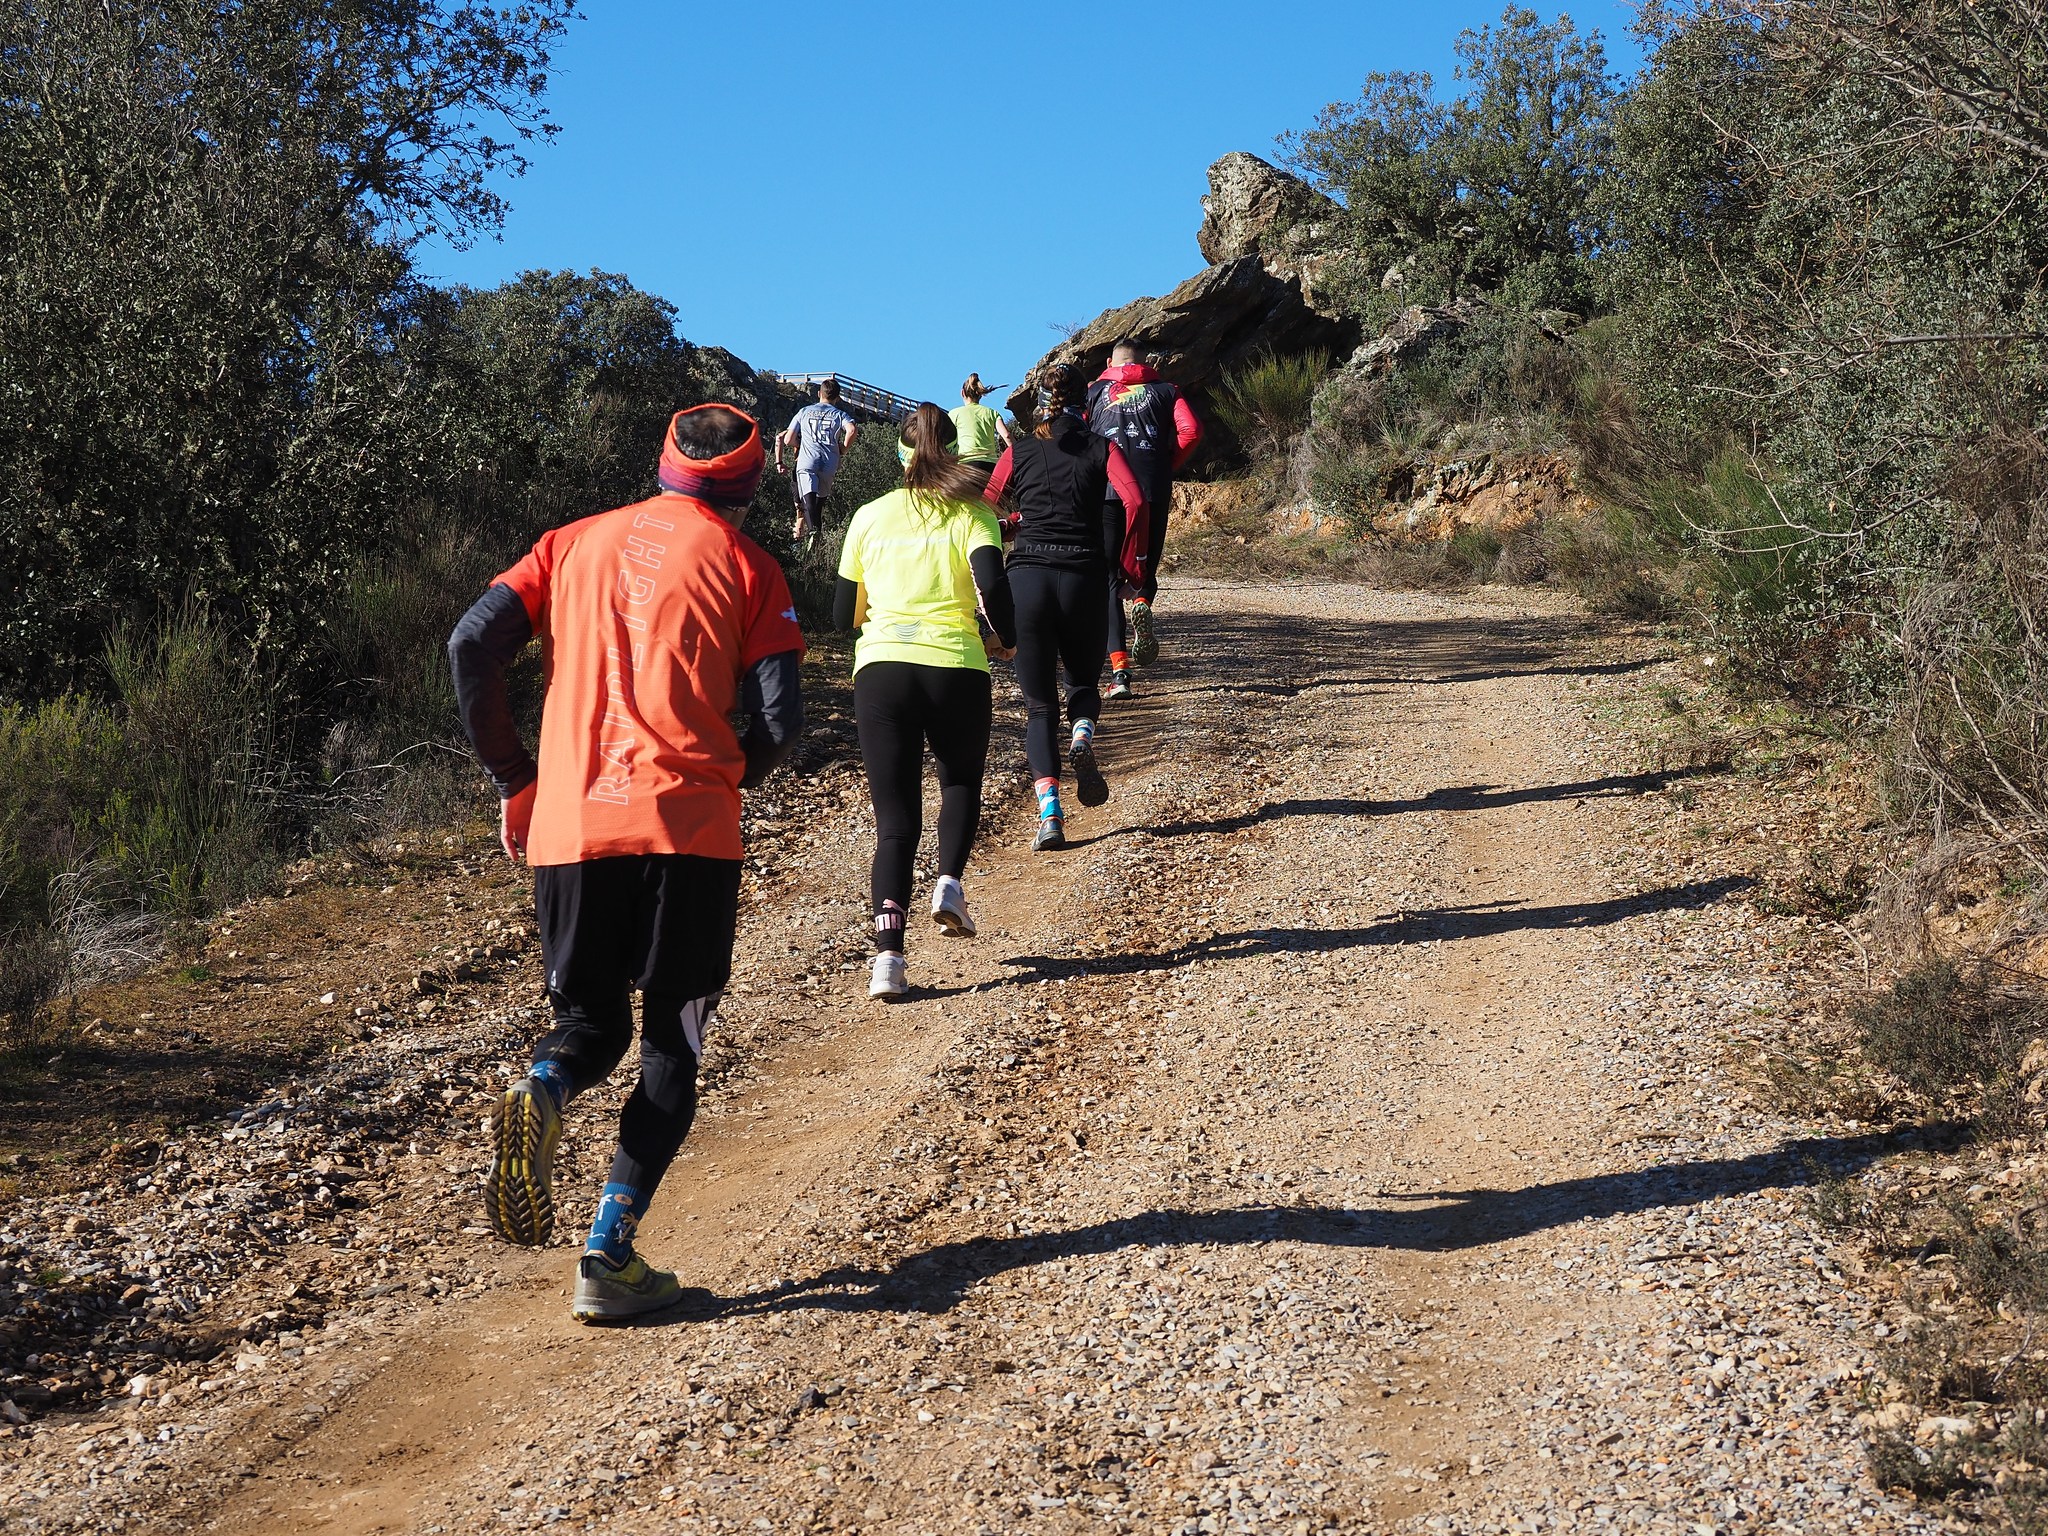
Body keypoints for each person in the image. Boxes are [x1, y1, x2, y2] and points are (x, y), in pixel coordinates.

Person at [448, 403, 805, 1323]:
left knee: (590, 1023)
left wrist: (517, 779)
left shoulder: (567, 544)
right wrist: (730, 779)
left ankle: (545, 1085)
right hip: (686, 830)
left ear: (666, 464)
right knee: (670, 1041)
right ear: (752, 482)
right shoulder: (751, 567)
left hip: (569, 826)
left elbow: (471, 643)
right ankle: (609, 1248)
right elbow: (778, 721)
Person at [836, 403, 1016, 1000]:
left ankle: (888, 959)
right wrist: (1008, 642)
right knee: (960, 781)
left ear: (901, 453)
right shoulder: (974, 514)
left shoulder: (867, 516)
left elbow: (843, 616)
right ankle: (949, 884)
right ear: (953, 451)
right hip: (955, 667)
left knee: (895, 823)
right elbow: (993, 588)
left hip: (881, 669)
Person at [982, 364, 1148, 851]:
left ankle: (1050, 816)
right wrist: (1128, 563)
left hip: (1027, 581)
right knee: (1081, 683)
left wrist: (1013, 523)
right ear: (1087, 403)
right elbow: (1134, 499)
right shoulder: (1102, 447)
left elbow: (987, 504)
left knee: (1037, 708)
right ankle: (1081, 737)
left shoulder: (1019, 450)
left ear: (1040, 403)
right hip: (1083, 578)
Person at [1084, 340, 1202, 697]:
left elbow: (1080, 433)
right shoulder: (1167, 390)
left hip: (1106, 490)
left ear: (1110, 362)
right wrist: (1167, 465)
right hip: (1151, 488)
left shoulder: (1094, 391)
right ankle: (1140, 602)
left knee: (1106, 578)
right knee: (1144, 566)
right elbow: (1191, 431)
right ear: (1146, 364)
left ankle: (1119, 672)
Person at [775, 379, 858, 544]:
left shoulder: (804, 411)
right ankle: (816, 541)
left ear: (819, 393)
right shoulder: (839, 414)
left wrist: (800, 444)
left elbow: (788, 439)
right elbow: (852, 429)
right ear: (838, 397)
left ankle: (814, 533)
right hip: (829, 462)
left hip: (807, 460)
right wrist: (843, 448)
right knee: (819, 502)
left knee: (807, 500)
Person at [949, 373, 1011, 471]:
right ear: (980, 395)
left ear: (962, 393)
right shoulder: (992, 413)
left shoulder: (954, 414)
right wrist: (1020, 454)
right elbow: (1007, 435)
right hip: (990, 466)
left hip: (965, 464)